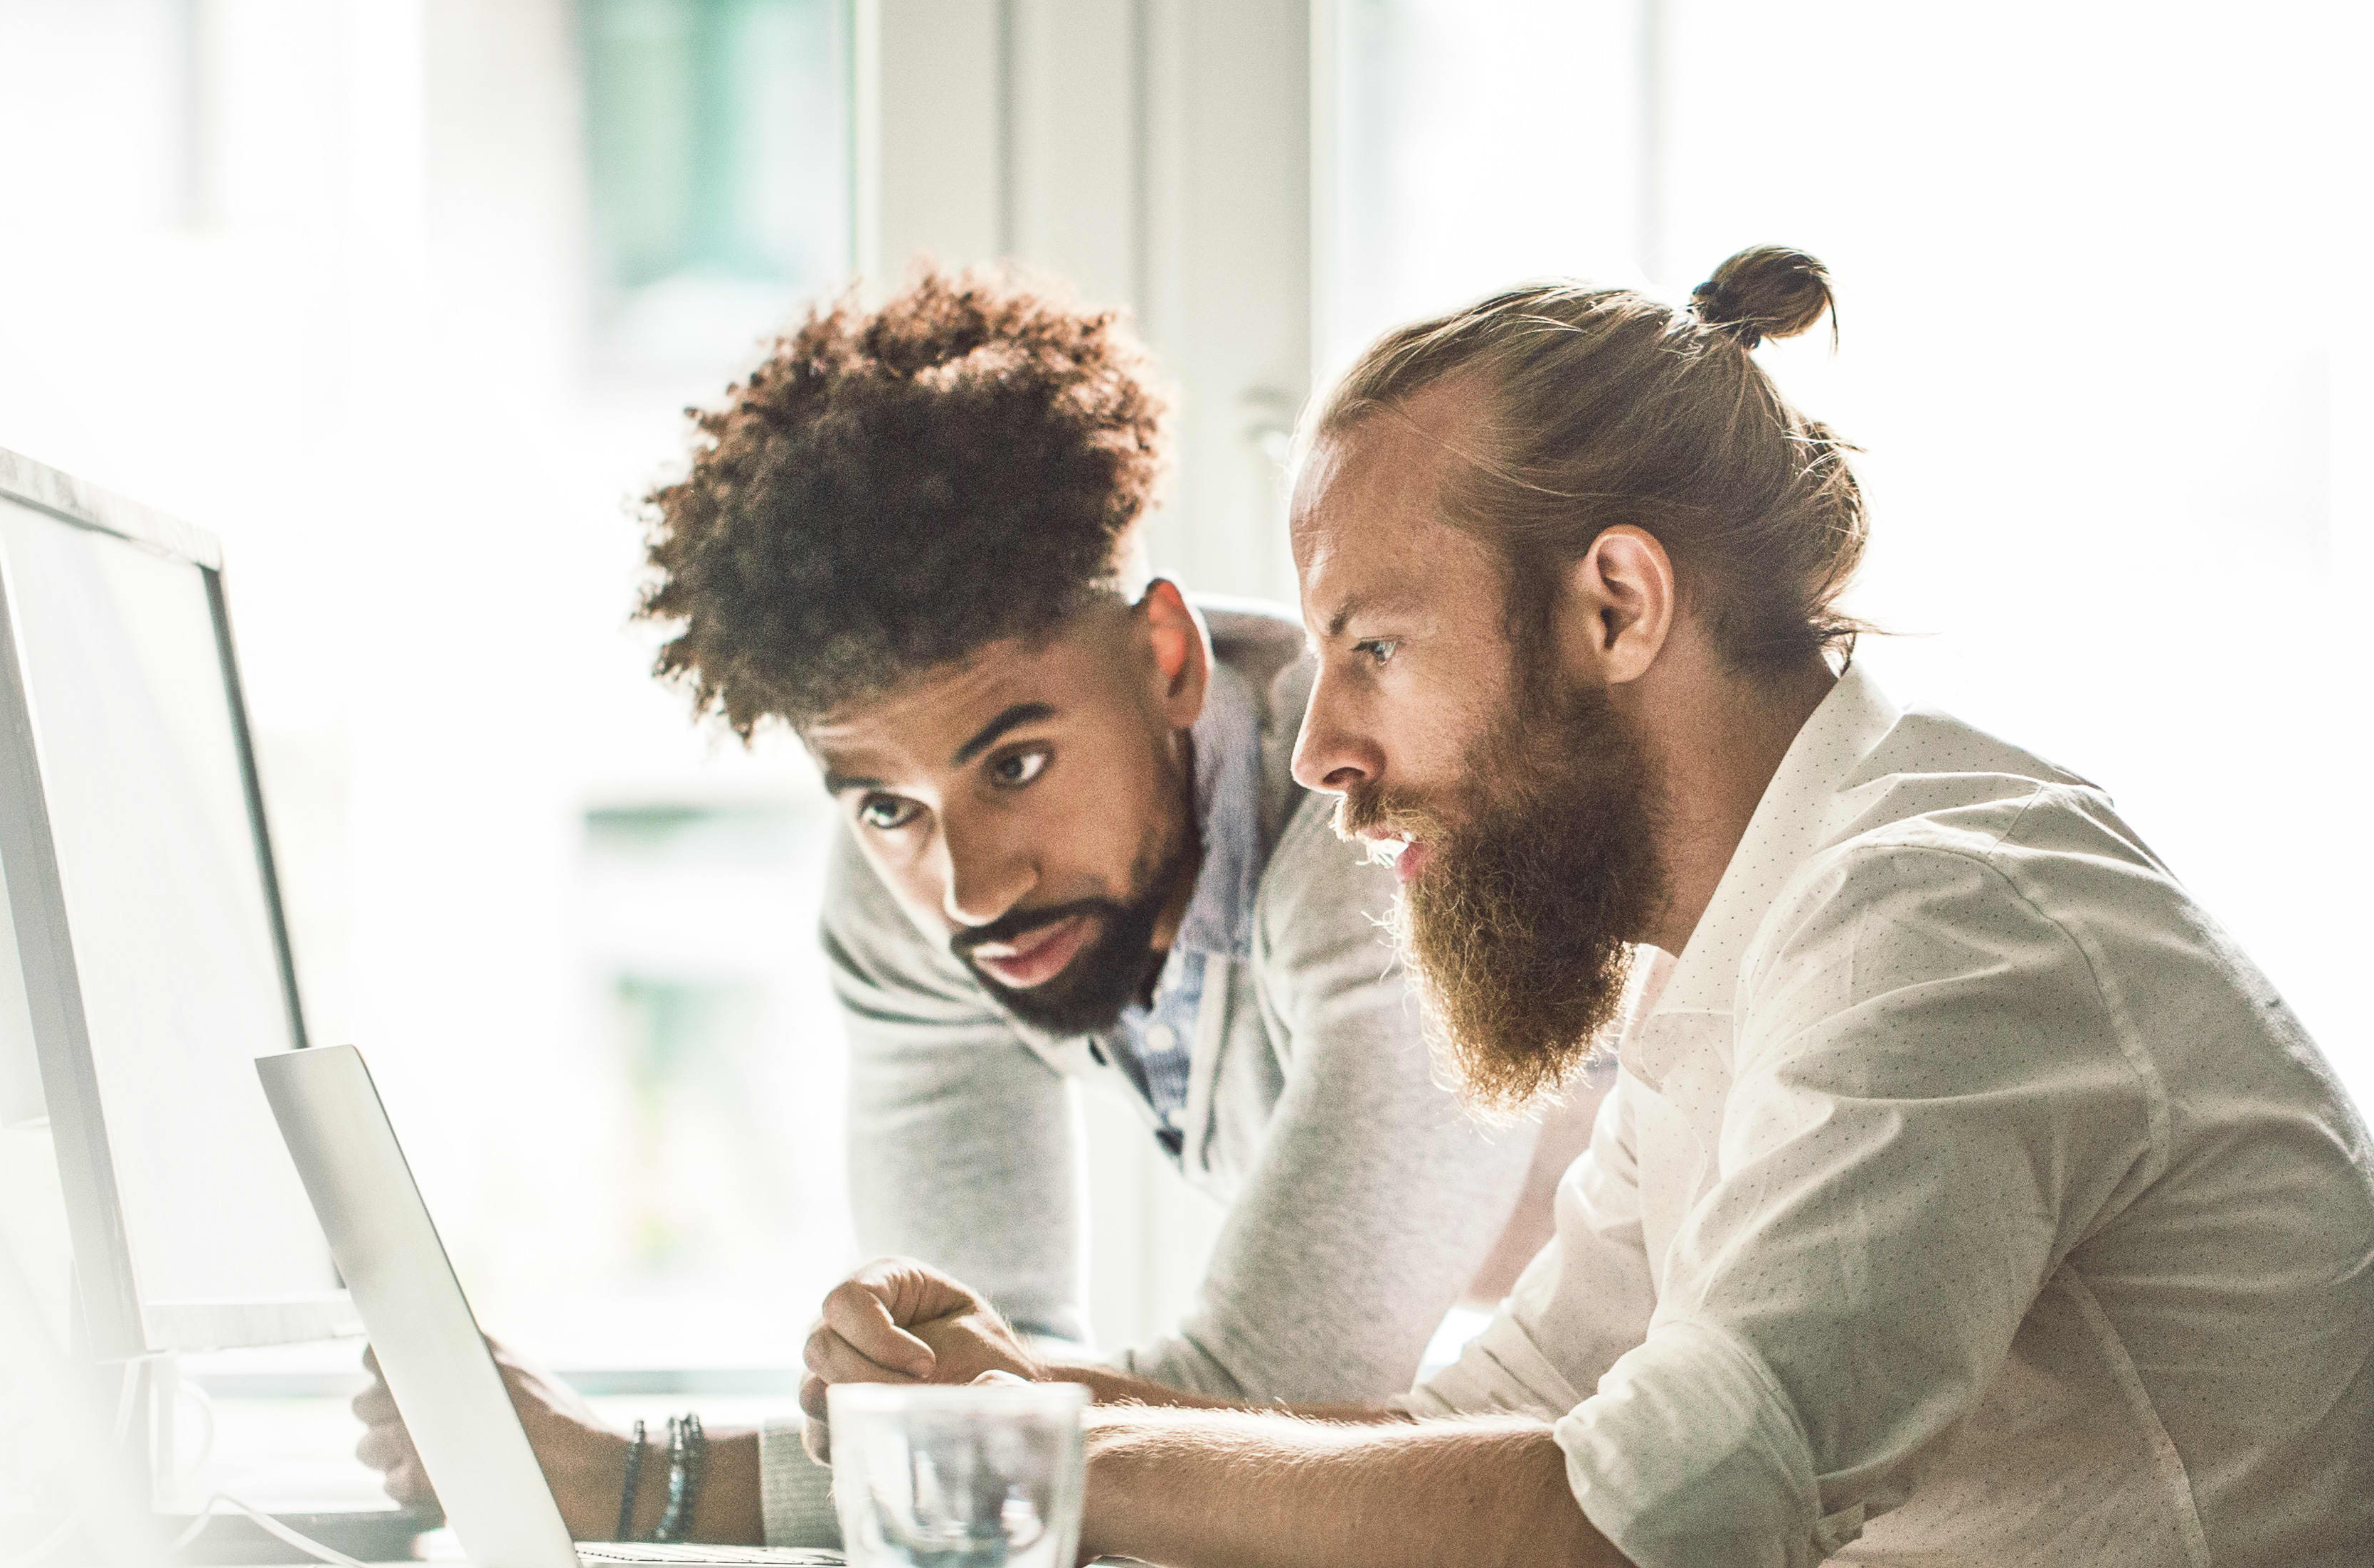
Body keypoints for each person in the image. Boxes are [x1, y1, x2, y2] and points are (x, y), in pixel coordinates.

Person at [800, 247, 2374, 1566]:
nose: (1316, 753)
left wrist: (1042, 1450)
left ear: (1614, 607)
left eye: (1373, 652)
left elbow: (1623, 1522)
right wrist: (997, 1408)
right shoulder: (1728, 966)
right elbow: (1482, 1430)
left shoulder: (1939, 917)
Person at [353, 269, 1554, 1545]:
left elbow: (1256, 1437)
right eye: (885, 804)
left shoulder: (1380, 834)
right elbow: (976, 1393)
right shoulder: (908, 900)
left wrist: (641, 1476)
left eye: (1016, 764)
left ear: (1167, 658)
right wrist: (909, 1403)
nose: (971, 887)